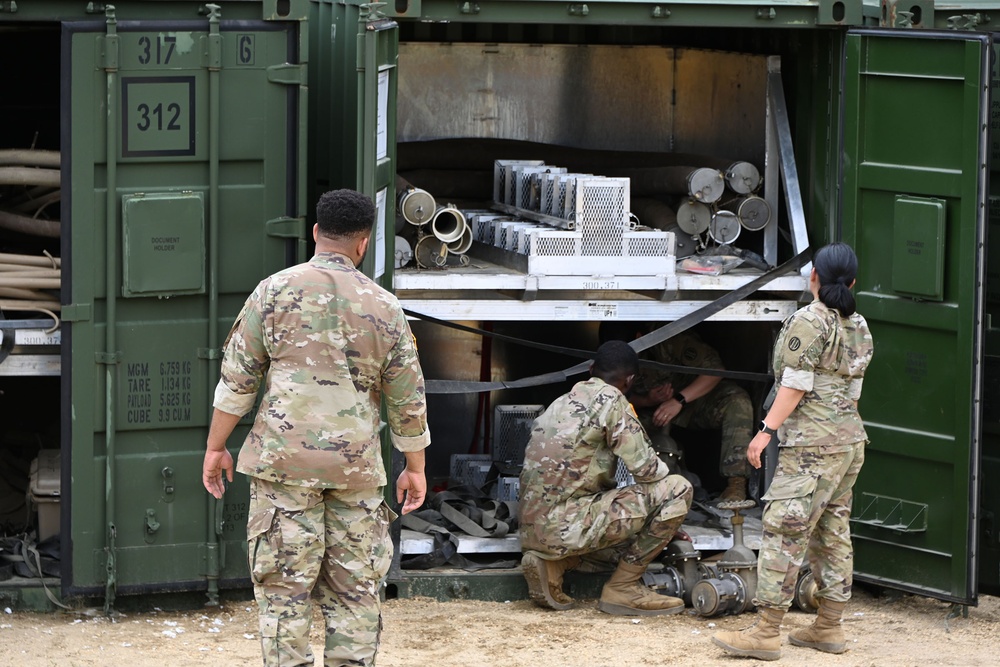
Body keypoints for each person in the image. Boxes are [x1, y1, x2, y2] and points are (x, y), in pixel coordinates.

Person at [201, 189, 430, 667]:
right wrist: (415, 467)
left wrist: (216, 447)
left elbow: (237, 381)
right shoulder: (385, 307)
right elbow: (407, 399)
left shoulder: (272, 292)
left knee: (284, 593)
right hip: (357, 471)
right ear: (363, 243)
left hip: (284, 466)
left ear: (315, 233)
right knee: (356, 593)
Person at [712, 243, 874, 661]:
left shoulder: (808, 320)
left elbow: (796, 384)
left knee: (785, 531)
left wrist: (766, 430)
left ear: (813, 277)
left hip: (812, 447)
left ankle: (766, 633)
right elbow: (853, 393)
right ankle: (828, 626)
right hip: (848, 443)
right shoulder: (858, 324)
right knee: (833, 531)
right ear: (852, 282)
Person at [518, 340, 694, 616]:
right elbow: (648, 471)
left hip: (534, 529)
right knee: (677, 491)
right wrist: (668, 514)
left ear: (591, 369)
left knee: (622, 542)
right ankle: (623, 588)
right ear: (631, 380)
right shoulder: (612, 402)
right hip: (568, 524)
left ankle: (555, 563)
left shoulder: (561, 402)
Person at [600, 322, 755, 503]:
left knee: (737, 402)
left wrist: (679, 400)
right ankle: (617, 487)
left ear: (639, 338)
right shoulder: (607, 360)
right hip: (646, 410)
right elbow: (607, 399)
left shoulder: (669, 340)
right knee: (611, 424)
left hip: (691, 402)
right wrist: (647, 400)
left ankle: (736, 486)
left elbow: (714, 370)